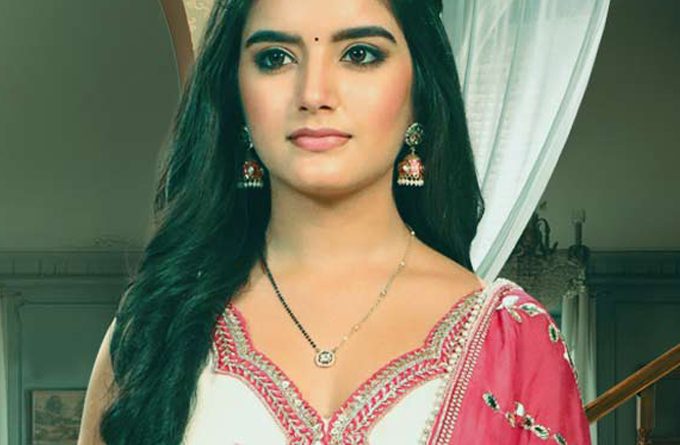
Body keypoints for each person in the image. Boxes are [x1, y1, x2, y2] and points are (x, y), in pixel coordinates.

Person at [78, 0, 591, 444]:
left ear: (420, 89)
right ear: (236, 96)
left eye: (359, 54)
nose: (314, 92)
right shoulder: (153, 330)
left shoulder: (514, 342)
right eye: (275, 58)